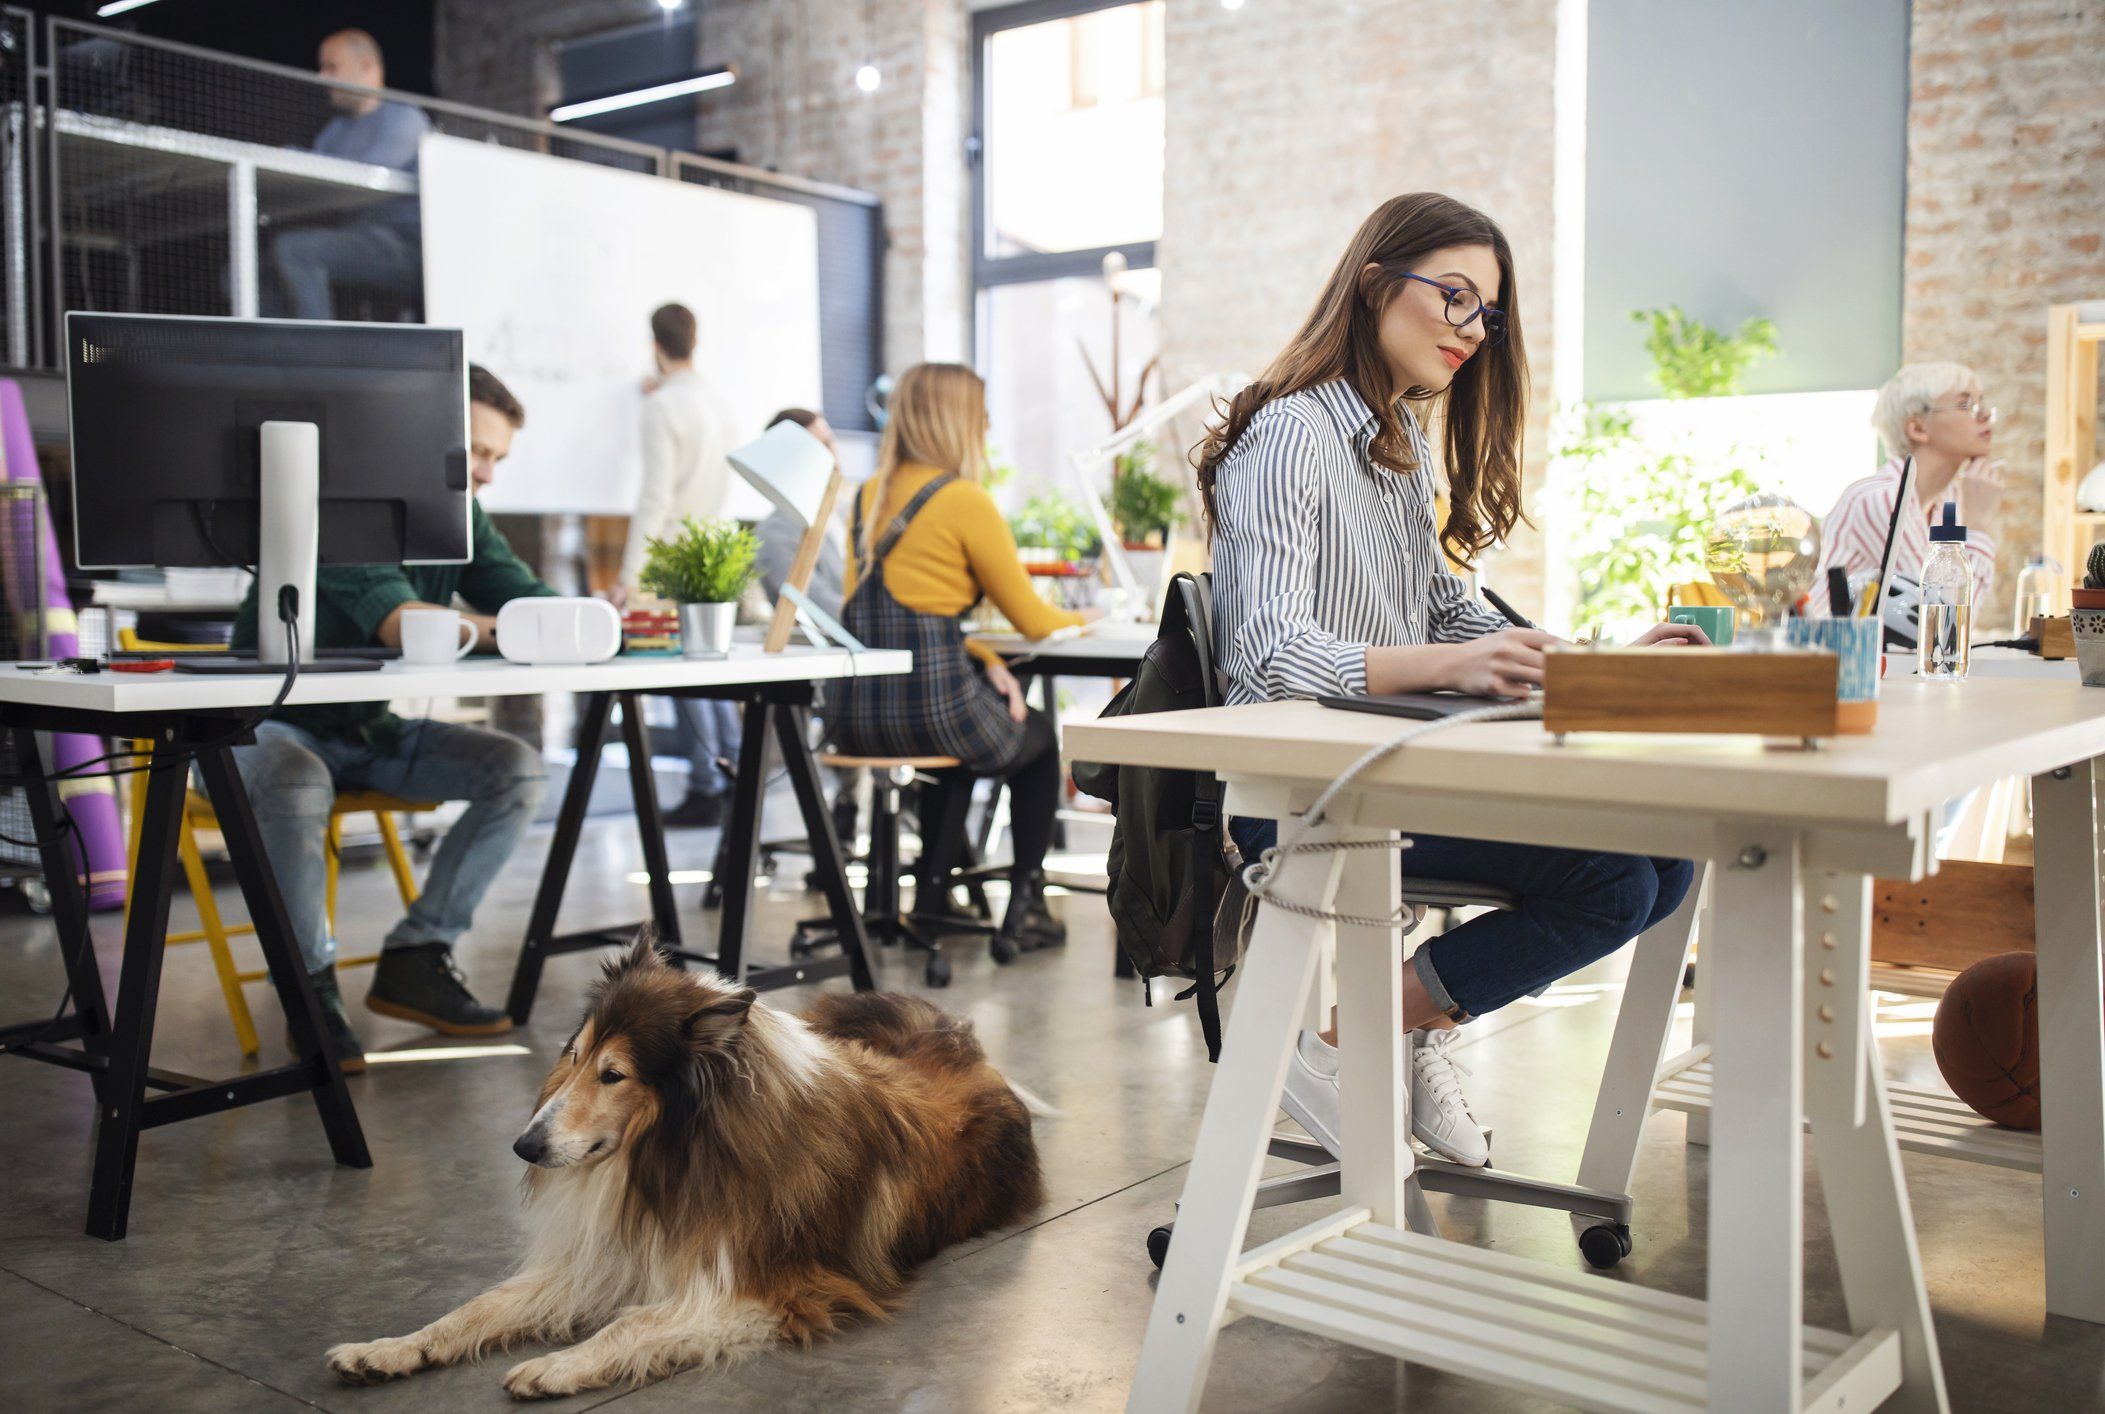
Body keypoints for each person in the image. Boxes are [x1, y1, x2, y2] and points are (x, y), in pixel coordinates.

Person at [1198, 193, 1705, 1166]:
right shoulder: (1290, 431)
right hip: (1304, 787)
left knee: (1668, 856)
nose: (1472, 330)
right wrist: (1449, 666)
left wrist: (1593, 662)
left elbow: (1449, 613)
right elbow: (1265, 650)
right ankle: (1350, 1042)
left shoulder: (1395, 443)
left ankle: (1399, 1026)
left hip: (1386, 766)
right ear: (1374, 285)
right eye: (1455, 296)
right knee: (1611, 879)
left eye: (1488, 312)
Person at [225, 365, 552, 1072]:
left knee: (517, 770)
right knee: (297, 779)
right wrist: (516, 628)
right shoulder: (334, 505)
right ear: (424, 439)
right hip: (263, 730)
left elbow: (530, 599)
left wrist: (603, 623)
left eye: (498, 458)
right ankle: (309, 989)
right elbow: (404, 624)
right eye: (478, 452)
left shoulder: (463, 515)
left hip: (365, 731)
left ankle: (417, 958)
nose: (487, 474)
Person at [834, 363, 1097, 955]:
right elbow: (1035, 620)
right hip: (933, 710)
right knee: (1038, 742)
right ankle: (1026, 907)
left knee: (956, 753)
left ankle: (937, 900)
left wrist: (980, 653)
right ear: (953, 421)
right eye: (980, 415)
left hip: (858, 716)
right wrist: (1091, 616)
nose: (988, 426)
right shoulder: (962, 500)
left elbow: (880, 614)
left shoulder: (866, 497)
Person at [613, 303, 742, 827]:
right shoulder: (719, 403)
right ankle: (732, 773)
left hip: (670, 555)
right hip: (713, 552)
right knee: (710, 670)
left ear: (654, 345)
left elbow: (655, 498)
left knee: (685, 677)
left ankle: (705, 785)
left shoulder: (663, 407)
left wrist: (629, 577)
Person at [1806, 362, 2002, 629]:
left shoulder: (1947, 499)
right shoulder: (1880, 499)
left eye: (1981, 403)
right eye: (1965, 405)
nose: (1985, 415)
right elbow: (1940, 624)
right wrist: (1978, 527)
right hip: (1827, 650)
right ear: (1918, 428)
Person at [266, 29, 431, 321]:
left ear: (367, 67)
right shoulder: (335, 131)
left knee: (295, 250)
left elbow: (361, 176)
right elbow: (315, 174)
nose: (322, 77)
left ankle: (317, 347)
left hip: (405, 248)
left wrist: (297, 159)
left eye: (332, 67)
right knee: (253, 267)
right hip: (354, 239)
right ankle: (270, 346)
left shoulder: (405, 118)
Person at [752, 408, 850, 619]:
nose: (833, 455)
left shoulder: (847, 514)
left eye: (830, 442)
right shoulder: (777, 533)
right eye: (819, 447)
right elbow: (818, 606)